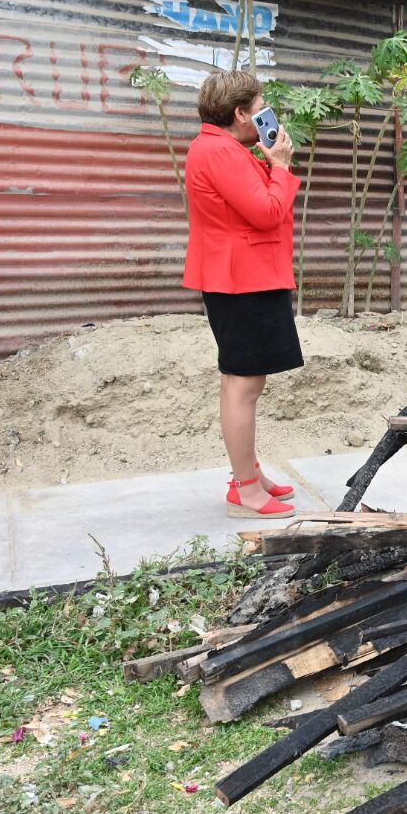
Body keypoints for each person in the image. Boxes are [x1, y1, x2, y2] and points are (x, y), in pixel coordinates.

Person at [182, 70, 302, 519]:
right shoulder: (219, 152)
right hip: (240, 279)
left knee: (248, 381)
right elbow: (267, 212)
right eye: (260, 108)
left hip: (245, 275)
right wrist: (281, 165)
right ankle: (246, 489)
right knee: (242, 384)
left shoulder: (221, 147)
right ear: (239, 113)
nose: (266, 116)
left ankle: (248, 473)